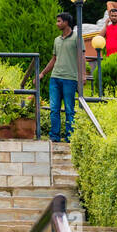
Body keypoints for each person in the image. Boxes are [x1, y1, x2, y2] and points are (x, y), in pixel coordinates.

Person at [40, 12, 80, 143]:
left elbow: (82, 57)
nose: (57, 24)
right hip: (55, 78)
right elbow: (54, 59)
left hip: (70, 79)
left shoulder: (76, 38)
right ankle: (54, 136)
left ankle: (70, 137)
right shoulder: (57, 40)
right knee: (54, 109)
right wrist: (42, 73)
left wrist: (83, 75)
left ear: (66, 22)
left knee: (69, 110)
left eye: (59, 21)